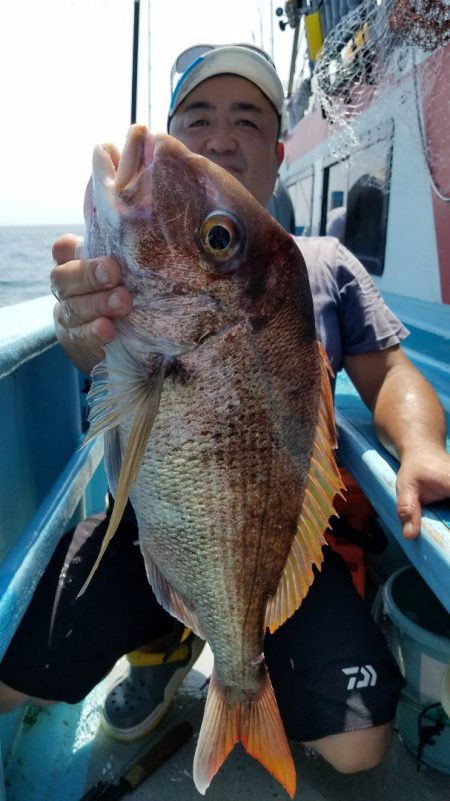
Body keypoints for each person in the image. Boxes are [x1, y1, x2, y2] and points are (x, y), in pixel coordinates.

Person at [1, 44, 449, 777]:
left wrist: (424, 446)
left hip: (264, 546)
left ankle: (221, 653)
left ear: (275, 154)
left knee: (358, 748)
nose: (218, 135)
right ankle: (169, 636)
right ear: (176, 129)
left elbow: (391, 371)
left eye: (245, 119)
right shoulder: (128, 278)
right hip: (145, 525)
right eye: (197, 117)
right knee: (8, 678)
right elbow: (100, 359)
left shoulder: (328, 262)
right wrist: (86, 331)